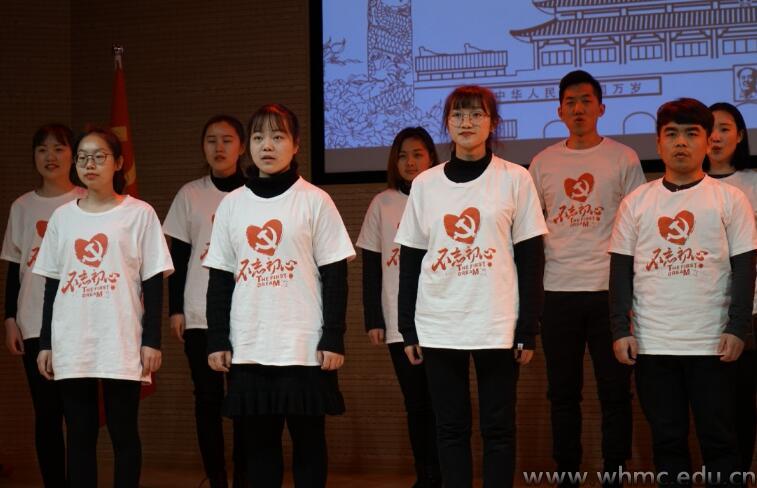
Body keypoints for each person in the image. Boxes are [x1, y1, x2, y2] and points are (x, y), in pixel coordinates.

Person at [395, 85, 547, 488]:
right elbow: (411, 259)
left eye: (476, 114)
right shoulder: (425, 184)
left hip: (497, 321)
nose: (466, 122)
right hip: (439, 322)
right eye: (458, 115)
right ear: (447, 123)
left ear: (492, 123)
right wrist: (408, 328)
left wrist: (527, 327)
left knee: (498, 428)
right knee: (450, 427)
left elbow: (531, 259)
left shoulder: (515, 179)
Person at [203, 103, 355, 487]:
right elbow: (219, 279)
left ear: (296, 144)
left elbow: (336, 275)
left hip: (304, 346)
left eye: (277, 136)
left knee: (309, 445)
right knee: (258, 451)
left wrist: (333, 337)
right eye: (258, 137)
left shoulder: (315, 200)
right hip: (250, 345)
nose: (266, 145)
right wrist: (217, 338)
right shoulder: (232, 204)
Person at [610, 98, 756, 487]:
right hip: (654, 344)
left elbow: (745, 268)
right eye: (671, 134)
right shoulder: (636, 202)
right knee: (667, 442)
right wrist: (620, 329)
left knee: (721, 442)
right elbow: (620, 270)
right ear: (658, 143)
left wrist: (738, 328)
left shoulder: (730, 199)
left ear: (707, 141)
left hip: (713, 344)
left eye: (691, 134)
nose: (681, 142)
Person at [33, 128, 174, 488]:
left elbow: (153, 282)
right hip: (72, 338)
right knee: (79, 435)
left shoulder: (140, 213)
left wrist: (152, 341)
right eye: (82, 157)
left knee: (123, 432)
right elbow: (52, 284)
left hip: (121, 338)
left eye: (99, 156)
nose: (89, 164)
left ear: (119, 163)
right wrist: (47, 342)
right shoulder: (62, 218)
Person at [528, 70, 645, 485]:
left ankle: (615, 472)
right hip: (557, 292)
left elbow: (639, 225)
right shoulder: (542, 163)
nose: (578, 108)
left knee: (615, 392)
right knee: (562, 394)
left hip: (608, 292)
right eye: (570, 102)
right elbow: (528, 228)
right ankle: (567, 474)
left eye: (586, 101)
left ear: (601, 108)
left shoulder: (624, 158)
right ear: (559, 111)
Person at [163, 115, 247, 488]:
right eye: (211, 140)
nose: (219, 147)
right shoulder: (190, 194)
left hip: (248, 312)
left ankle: (245, 476)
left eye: (227, 140)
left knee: (244, 400)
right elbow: (178, 257)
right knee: (208, 399)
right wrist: (175, 309)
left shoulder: (256, 191)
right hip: (199, 313)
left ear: (241, 147)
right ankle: (216, 477)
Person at [356, 126, 441, 487]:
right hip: (398, 321)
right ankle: (427, 476)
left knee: (444, 403)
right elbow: (371, 264)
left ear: (432, 158)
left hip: (442, 318)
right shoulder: (383, 202)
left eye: (418, 154)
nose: (410, 162)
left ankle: (448, 474)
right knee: (416, 403)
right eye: (403, 155)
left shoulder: (444, 196)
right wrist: (373, 318)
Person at [1, 123, 85, 487]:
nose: (50, 156)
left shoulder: (87, 199)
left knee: (78, 415)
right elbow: (13, 268)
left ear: (73, 155)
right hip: (34, 320)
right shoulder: (22, 206)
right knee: (47, 413)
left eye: (59, 148)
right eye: (42, 149)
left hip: (80, 323)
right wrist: (9, 318)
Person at [705, 102, 756, 474]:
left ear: (740, 136)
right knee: (712, 405)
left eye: (725, 128)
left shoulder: (752, 183)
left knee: (742, 402)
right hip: (704, 312)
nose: (716, 136)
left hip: (751, 309)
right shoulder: (690, 188)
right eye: (709, 129)